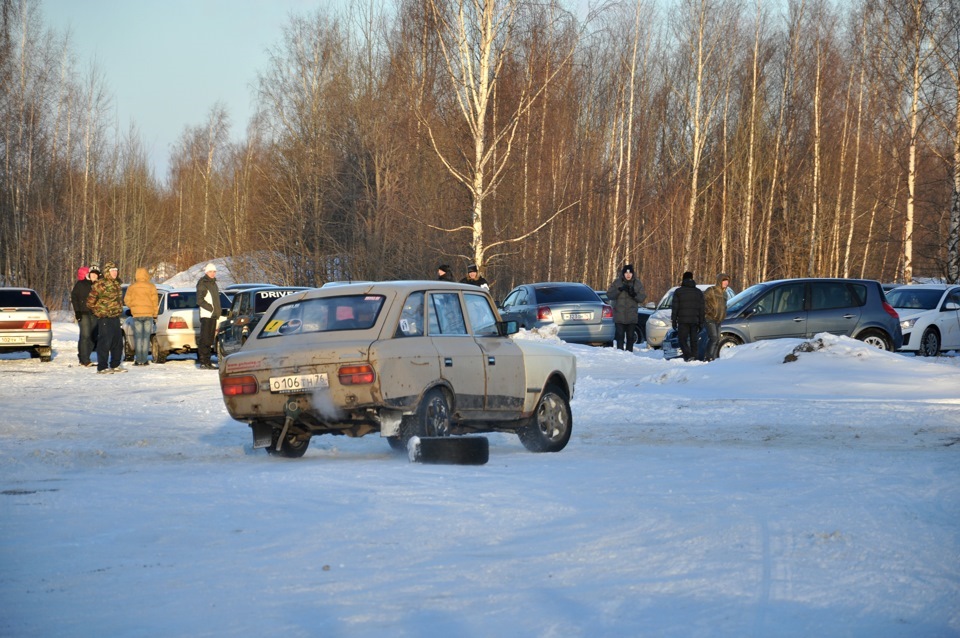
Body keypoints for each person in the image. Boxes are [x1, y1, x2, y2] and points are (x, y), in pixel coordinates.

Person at [87, 262, 126, 374]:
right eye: (112, 270)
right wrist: (99, 311)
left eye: (116, 270)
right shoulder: (101, 284)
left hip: (115, 317)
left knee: (117, 343)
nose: (115, 272)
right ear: (107, 272)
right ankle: (102, 367)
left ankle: (115, 364)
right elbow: (90, 302)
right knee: (104, 342)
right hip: (105, 317)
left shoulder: (117, 283)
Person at [605, 264, 646, 351]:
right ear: (623, 274)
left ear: (632, 274)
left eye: (630, 273)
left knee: (630, 337)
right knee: (620, 336)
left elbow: (642, 297)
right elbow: (609, 295)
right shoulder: (617, 282)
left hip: (631, 315)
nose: (628, 275)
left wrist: (634, 294)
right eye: (626, 273)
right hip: (619, 314)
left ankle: (629, 353)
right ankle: (620, 354)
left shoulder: (637, 283)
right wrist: (619, 290)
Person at [125, 267, 159, 366]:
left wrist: (133, 307)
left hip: (136, 315)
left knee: (138, 338)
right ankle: (144, 360)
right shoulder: (151, 287)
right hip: (148, 314)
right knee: (146, 338)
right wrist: (155, 314)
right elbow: (154, 301)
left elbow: (127, 300)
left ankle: (138, 359)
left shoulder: (132, 287)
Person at [672, 271, 705, 362]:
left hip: (683, 320)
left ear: (683, 279)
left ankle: (688, 356)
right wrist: (701, 321)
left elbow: (675, 307)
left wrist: (674, 320)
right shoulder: (698, 292)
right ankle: (695, 357)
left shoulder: (678, 292)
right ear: (692, 278)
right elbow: (702, 308)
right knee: (694, 340)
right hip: (695, 320)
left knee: (682, 340)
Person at [71, 265, 98, 366]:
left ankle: (84, 355)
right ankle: (84, 359)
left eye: (96, 274)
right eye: (93, 274)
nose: (94, 276)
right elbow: (74, 297)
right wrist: (77, 311)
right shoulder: (81, 284)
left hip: (95, 314)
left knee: (93, 337)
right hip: (83, 313)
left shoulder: (99, 285)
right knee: (85, 335)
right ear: (89, 274)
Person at [196, 262, 222, 370]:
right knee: (205, 339)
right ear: (206, 272)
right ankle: (203, 362)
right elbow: (199, 300)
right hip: (207, 315)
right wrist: (211, 308)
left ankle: (207, 361)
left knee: (210, 339)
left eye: (214, 271)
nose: (213, 273)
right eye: (211, 271)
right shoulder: (203, 283)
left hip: (213, 315)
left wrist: (216, 310)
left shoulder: (213, 283)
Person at [703, 272, 730, 362]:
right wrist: (709, 311)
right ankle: (708, 357)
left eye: (727, 281)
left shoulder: (725, 293)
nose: (726, 283)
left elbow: (724, 306)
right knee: (713, 338)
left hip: (718, 319)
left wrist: (723, 314)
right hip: (710, 318)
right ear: (719, 281)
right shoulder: (711, 290)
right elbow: (702, 302)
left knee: (717, 339)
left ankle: (713, 358)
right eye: (724, 281)